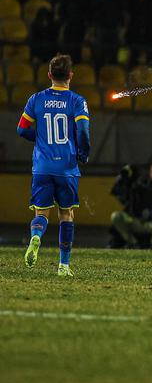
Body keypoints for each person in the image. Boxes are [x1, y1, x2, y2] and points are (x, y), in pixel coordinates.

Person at [18, 54, 90, 277]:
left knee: (42, 212)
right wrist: (83, 153)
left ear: (49, 75)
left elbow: (21, 129)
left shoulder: (36, 99)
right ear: (70, 75)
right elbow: (83, 132)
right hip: (66, 167)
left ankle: (36, 235)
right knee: (66, 214)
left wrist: (40, 138)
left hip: (42, 167)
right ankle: (63, 266)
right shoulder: (77, 101)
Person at [109, 162, 152, 249]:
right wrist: (122, 179)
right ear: (150, 173)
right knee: (116, 216)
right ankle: (132, 243)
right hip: (136, 221)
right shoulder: (142, 185)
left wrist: (150, 213)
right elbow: (124, 198)